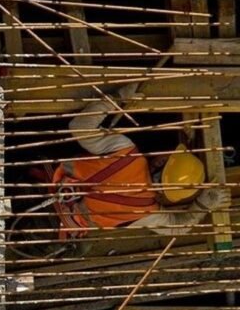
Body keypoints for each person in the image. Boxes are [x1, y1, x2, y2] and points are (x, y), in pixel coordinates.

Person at [52, 83, 227, 240]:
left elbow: (79, 126)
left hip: (41, 184)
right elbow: (178, 228)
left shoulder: (126, 153)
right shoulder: (146, 213)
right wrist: (203, 205)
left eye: (168, 155)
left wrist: (118, 98)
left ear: (160, 164)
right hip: (56, 226)